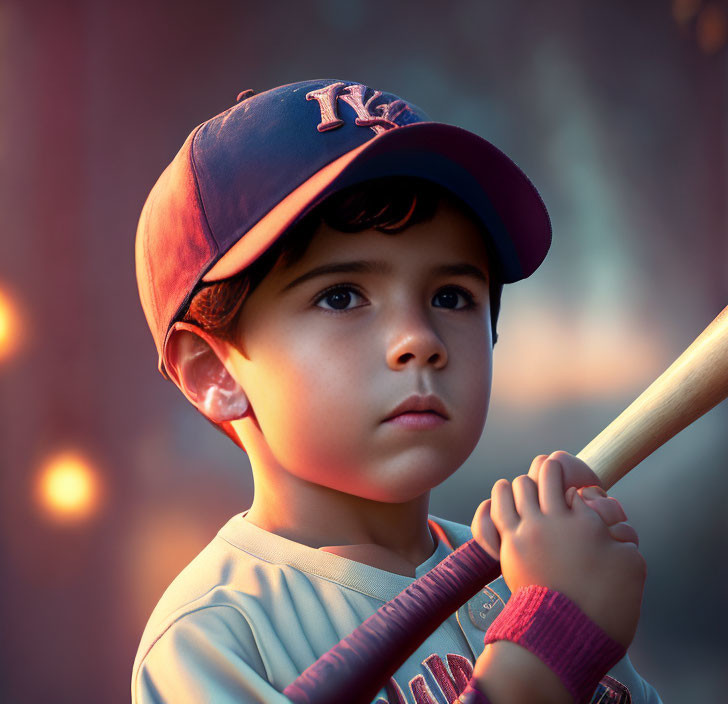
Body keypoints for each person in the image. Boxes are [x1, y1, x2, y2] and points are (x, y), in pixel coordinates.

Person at [131, 79, 661, 704]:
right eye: (341, 296)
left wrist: (563, 598)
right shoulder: (216, 636)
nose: (420, 339)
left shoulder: (529, 566)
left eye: (451, 296)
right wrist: (552, 641)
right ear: (214, 373)